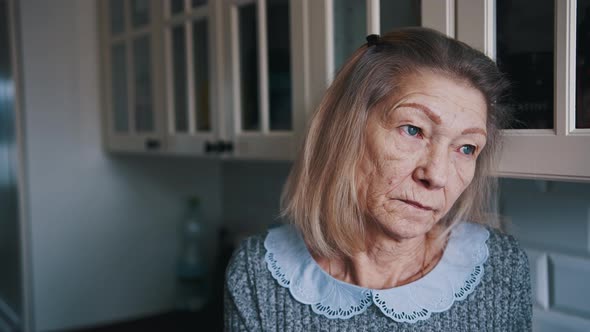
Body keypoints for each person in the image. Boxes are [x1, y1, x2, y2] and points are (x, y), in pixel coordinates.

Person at [224, 27, 532, 331]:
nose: (437, 175)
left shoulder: (501, 269)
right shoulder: (257, 272)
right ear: (346, 130)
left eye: (466, 148)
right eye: (413, 129)